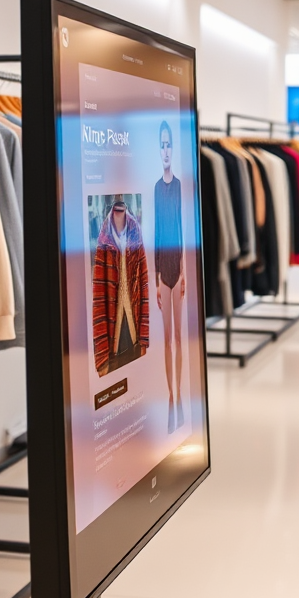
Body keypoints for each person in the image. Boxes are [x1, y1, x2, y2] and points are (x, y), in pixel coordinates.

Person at [92, 196, 150, 378]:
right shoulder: (104, 239)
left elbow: (144, 285)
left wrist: (144, 336)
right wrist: (101, 351)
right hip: (112, 332)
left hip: (134, 327)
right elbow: (99, 295)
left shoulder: (136, 233)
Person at [154, 120, 185, 435]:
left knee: (178, 337)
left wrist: (185, 273)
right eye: (161, 145)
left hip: (178, 265)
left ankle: (179, 400)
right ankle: (171, 399)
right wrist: (154, 278)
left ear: (173, 149)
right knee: (166, 340)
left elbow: (179, 227)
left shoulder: (177, 185)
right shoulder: (155, 187)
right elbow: (157, 232)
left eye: (168, 145)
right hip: (163, 269)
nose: (165, 150)